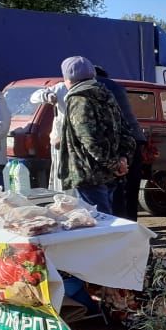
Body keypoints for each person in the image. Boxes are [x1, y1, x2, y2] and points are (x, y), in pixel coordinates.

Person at [57, 56, 136, 214]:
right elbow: (125, 130)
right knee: (109, 218)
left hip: (89, 174)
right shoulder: (106, 94)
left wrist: (115, 163)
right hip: (110, 173)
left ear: (67, 79)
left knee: (99, 223)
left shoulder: (79, 100)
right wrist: (122, 160)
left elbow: (90, 140)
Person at [95, 65, 147, 221]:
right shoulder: (117, 86)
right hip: (136, 139)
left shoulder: (95, 86)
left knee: (117, 189)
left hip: (119, 141)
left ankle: (119, 226)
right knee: (131, 189)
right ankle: (131, 224)